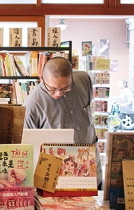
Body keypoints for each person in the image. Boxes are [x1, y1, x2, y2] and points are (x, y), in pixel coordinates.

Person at [24, 57, 102, 188]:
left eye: (66, 88)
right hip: (58, 172)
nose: (58, 93)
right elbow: (29, 147)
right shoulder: (32, 104)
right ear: (42, 79)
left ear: (71, 77)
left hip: (90, 163)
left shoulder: (84, 79)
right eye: (52, 89)